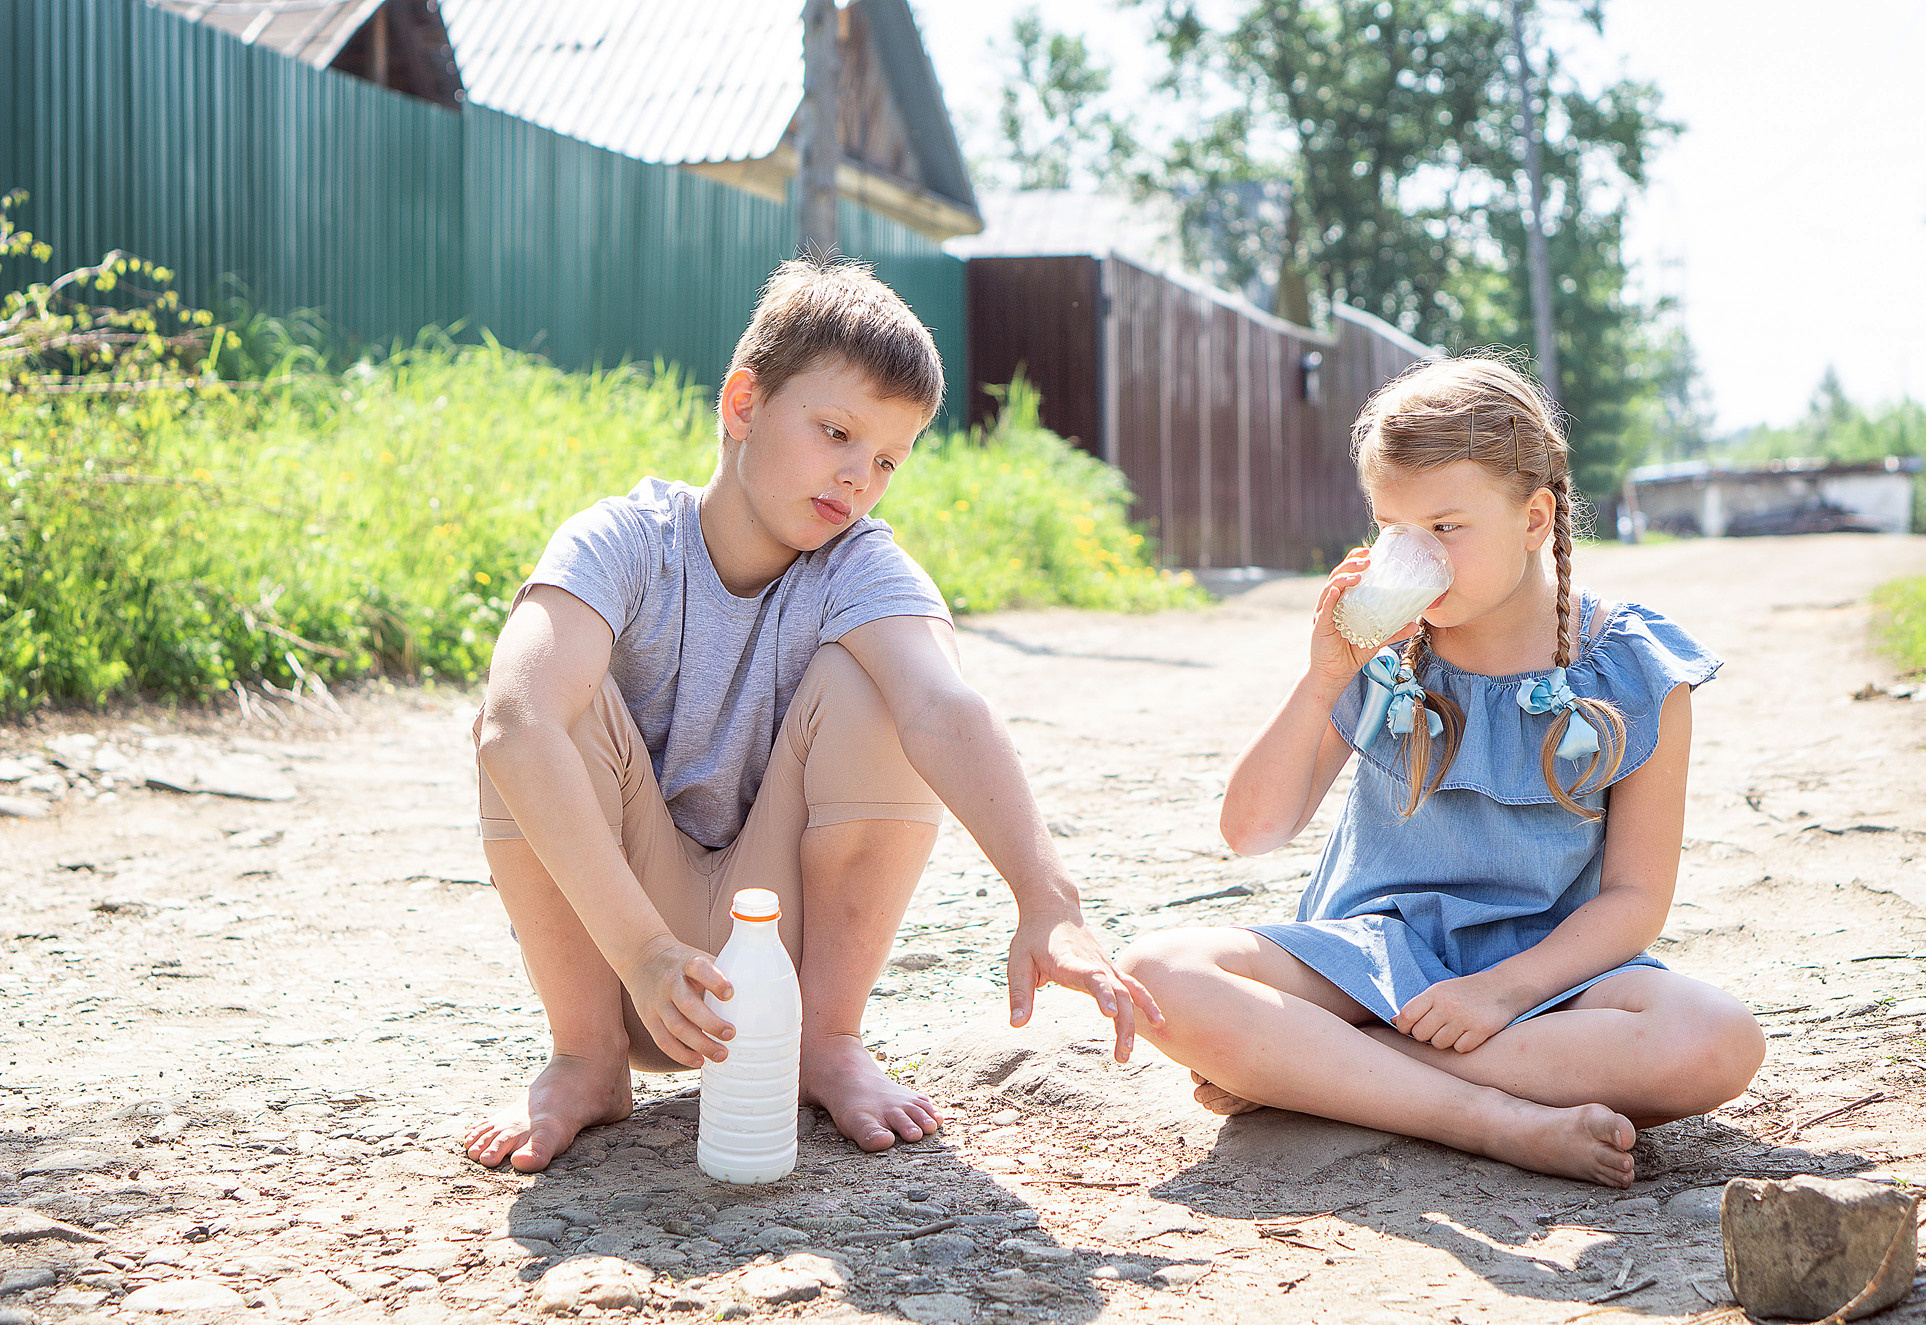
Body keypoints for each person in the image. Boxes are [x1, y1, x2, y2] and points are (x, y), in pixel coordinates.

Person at [464, 257, 1158, 1172]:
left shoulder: (860, 564)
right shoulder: (623, 540)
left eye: (885, 460)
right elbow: (516, 726)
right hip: (621, 946)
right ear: (743, 404)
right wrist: (643, 953)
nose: (857, 477)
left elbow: (947, 711)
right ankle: (586, 1059)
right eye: (835, 431)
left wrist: (1048, 901)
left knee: (885, 682)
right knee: (535, 701)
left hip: (775, 963)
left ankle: (826, 1042)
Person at [1120, 355, 1764, 1188]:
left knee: (1717, 1040)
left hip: (1546, 981)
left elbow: (1635, 900)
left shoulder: (1632, 668)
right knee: (1156, 975)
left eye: (1448, 527)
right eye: (1395, 529)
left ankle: (1333, 1072)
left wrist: (1500, 992)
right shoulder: (1382, 650)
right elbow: (1252, 831)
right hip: (1371, 963)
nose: (1417, 554)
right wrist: (1325, 677)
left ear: (1535, 518)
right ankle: (1486, 1120)